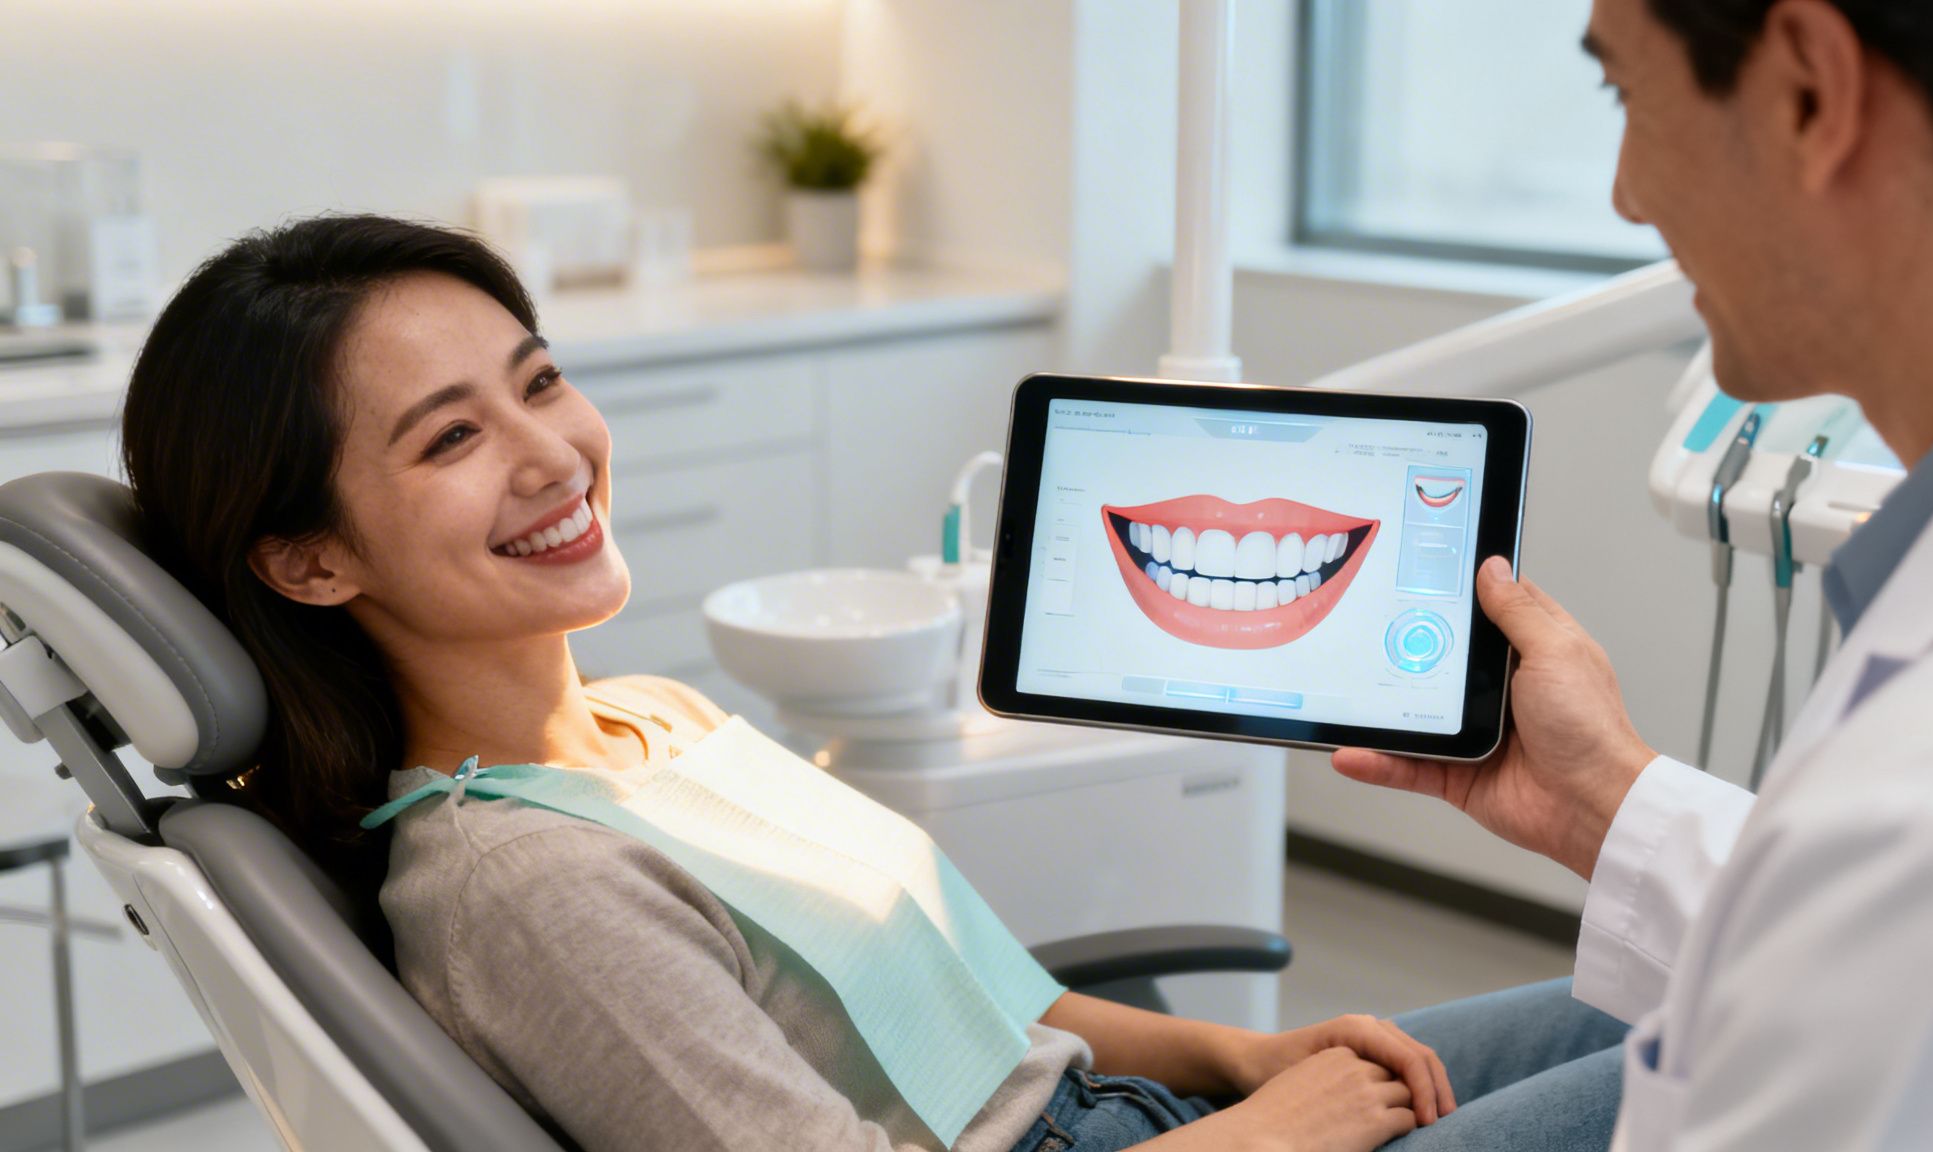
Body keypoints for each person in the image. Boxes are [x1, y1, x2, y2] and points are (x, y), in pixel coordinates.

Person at [122, 213, 1484, 1152]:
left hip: (1145, 1110)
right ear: (307, 562)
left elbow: (970, 999)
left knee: (1648, 1011)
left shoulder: (655, 717)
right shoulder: (526, 886)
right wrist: (1255, 1138)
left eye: (541, 384)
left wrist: (1242, 1060)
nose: (552, 456)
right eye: (452, 439)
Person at [1333, 0, 1933, 1148]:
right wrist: (1601, 792)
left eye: (1625, 94)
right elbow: (1846, 943)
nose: (1625, 192)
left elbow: (1900, 911)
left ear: (1808, 91)